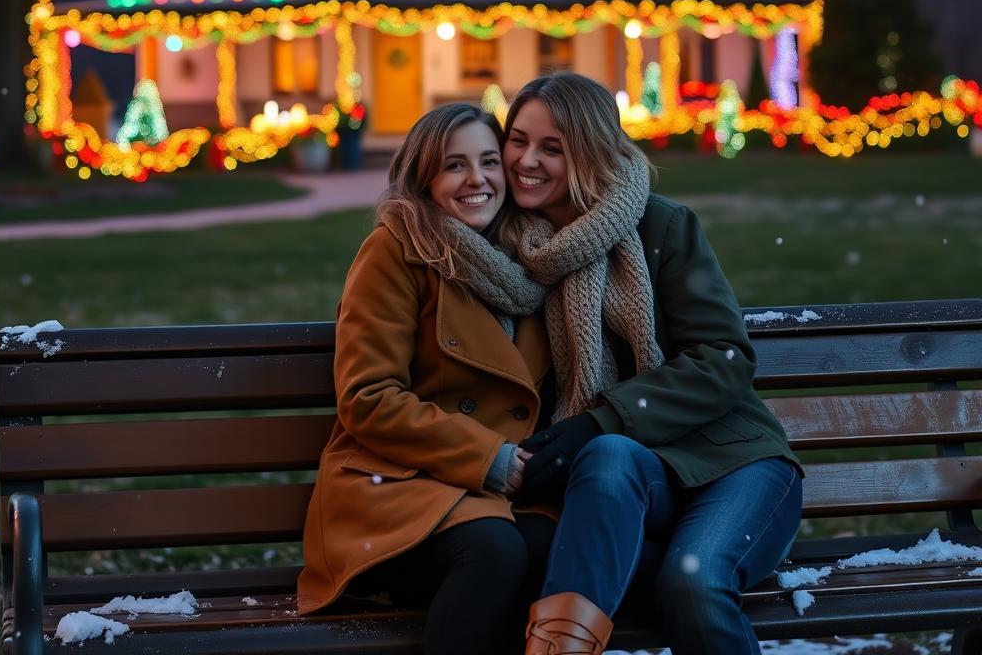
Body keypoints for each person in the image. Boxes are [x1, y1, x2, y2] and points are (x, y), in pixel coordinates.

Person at [497, 72, 804, 655]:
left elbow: (724, 358)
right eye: (517, 140)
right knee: (609, 461)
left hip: (729, 462)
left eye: (552, 148)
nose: (525, 161)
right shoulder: (505, 251)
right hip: (618, 483)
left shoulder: (660, 226)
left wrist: (602, 418)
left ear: (589, 152)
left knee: (692, 580)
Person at [296, 102, 554, 655]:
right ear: (423, 177)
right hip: (398, 486)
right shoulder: (396, 249)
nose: (477, 180)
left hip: (489, 493)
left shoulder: (530, 257)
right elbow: (368, 397)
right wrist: (489, 458)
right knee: (495, 552)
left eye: (489, 161)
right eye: (454, 166)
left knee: (558, 547)